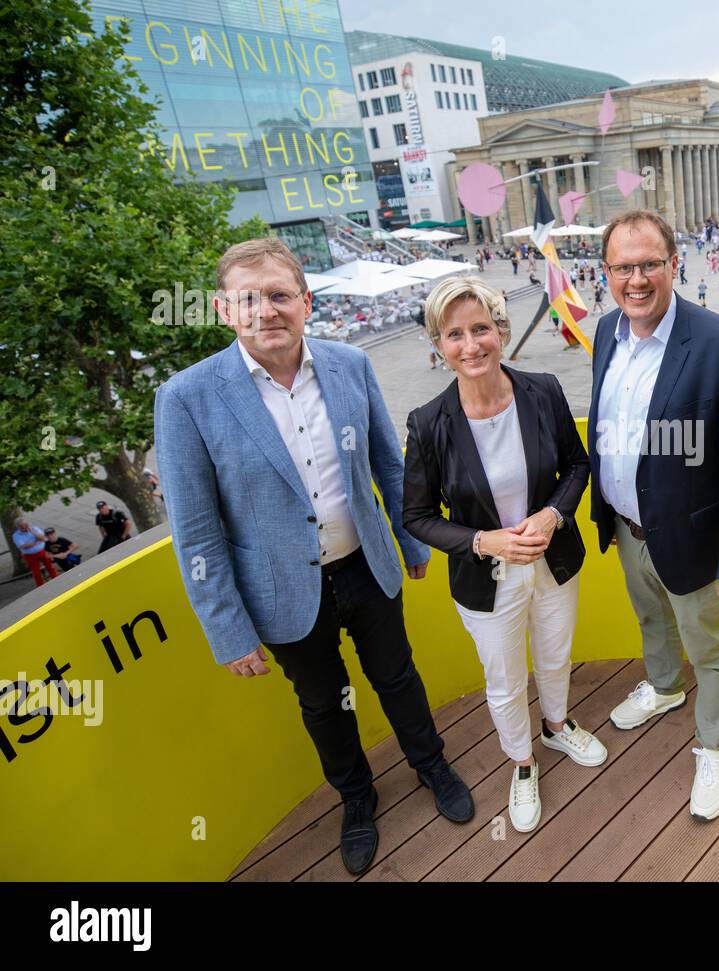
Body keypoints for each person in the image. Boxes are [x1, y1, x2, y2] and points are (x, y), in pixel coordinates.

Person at [154, 237, 473, 876]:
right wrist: (227, 629)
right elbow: (195, 530)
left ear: (304, 302)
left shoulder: (348, 364)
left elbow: (389, 462)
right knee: (324, 704)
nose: (266, 311)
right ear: (224, 310)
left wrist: (411, 540)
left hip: (367, 565)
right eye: (249, 299)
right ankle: (356, 799)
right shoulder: (186, 397)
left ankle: (430, 763)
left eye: (279, 295)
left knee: (398, 677)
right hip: (280, 591)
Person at [403, 276, 603, 833]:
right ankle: (522, 763)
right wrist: (482, 541)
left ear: (501, 330)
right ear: (439, 345)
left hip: (553, 560)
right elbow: (416, 518)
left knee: (556, 656)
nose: (471, 345)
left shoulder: (542, 389)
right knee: (505, 680)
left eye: (481, 329)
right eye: (455, 334)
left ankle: (558, 727)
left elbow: (579, 465)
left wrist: (551, 514)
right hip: (485, 580)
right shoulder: (427, 423)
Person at [590, 210, 719, 821]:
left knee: (708, 647)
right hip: (626, 525)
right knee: (652, 622)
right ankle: (665, 689)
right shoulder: (607, 332)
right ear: (606, 273)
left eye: (648, 265)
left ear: (673, 265)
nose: (635, 279)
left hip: (692, 539)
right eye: (622, 267)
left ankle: (715, 744)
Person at [13, 518, 57, 586]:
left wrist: (33, 533)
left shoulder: (35, 529)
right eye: (22, 527)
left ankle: (56, 579)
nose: (25, 528)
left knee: (50, 566)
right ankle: (40, 586)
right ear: (18, 527)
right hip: (30, 555)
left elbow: (42, 538)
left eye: (26, 525)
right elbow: (24, 546)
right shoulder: (16, 535)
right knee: (36, 572)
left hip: (42, 551)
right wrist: (36, 541)